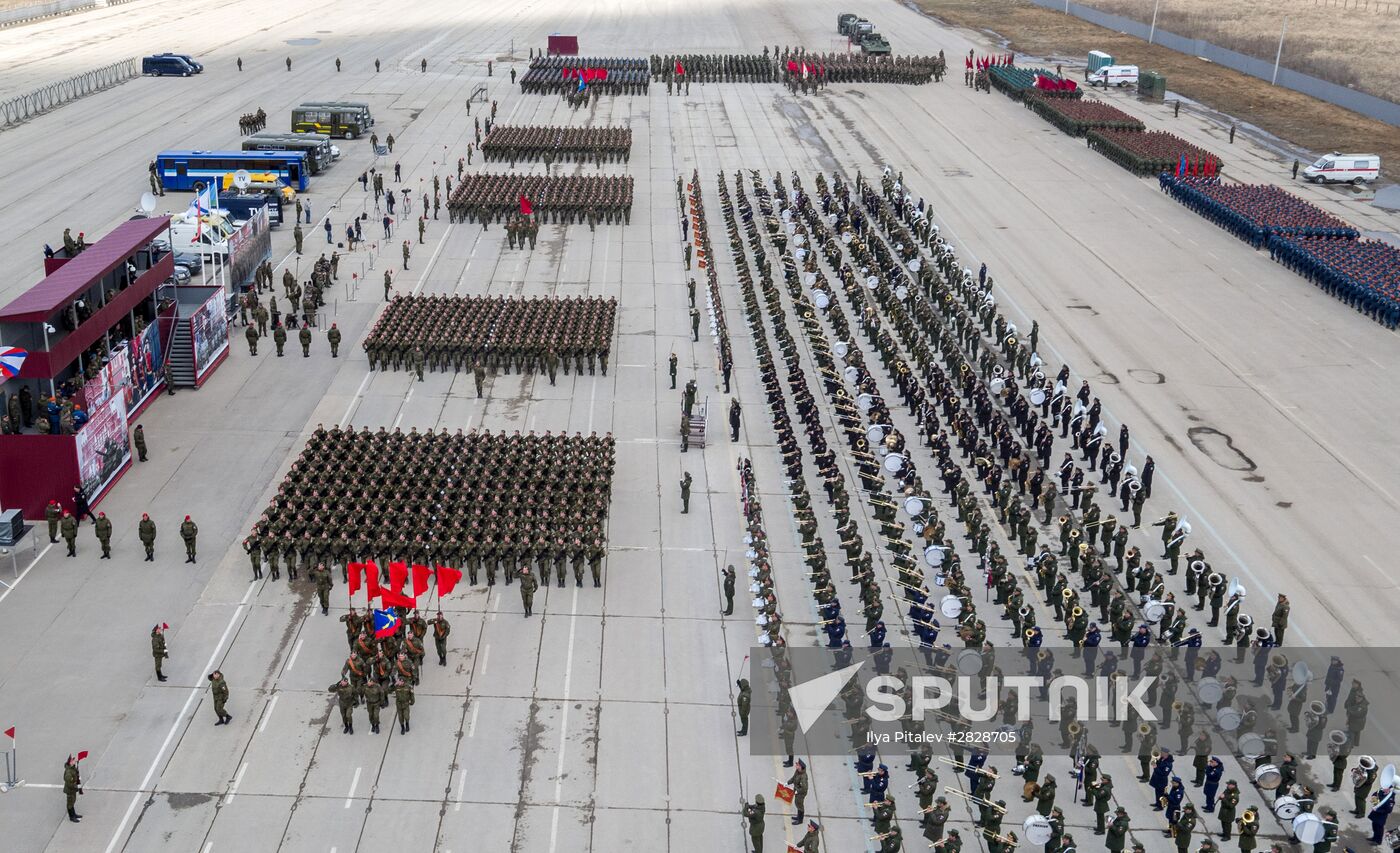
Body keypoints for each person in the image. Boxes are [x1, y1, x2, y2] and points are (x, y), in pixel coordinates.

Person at [63, 755, 83, 822]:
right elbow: (69, 784)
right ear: (70, 762)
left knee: (73, 801)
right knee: (70, 804)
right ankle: (71, 817)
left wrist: (78, 777)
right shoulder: (68, 773)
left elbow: (75, 773)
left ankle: (74, 814)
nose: (74, 761)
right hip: (70, 790)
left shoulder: (72, 768)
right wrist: (76, 786)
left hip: (73, 790)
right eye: (73, 760)